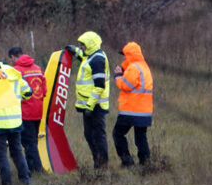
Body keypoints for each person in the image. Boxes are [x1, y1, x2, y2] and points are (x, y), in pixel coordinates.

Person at [66, 31, 110, 169]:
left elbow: (99, 86)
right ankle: (98, 161)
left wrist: (90, 106)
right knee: (89, 134)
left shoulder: (97, 60)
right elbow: (84, 57)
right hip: (89, 106)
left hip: (95, 106)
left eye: (83, 45)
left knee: (97, 135)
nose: (81, 47)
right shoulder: (91, 56)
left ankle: (102, 165)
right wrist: (75, 51)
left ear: (90, 44)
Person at [112, 42, 154, 166]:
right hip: (144, 111)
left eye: (125, 55)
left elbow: (126, 85)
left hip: (131, 110)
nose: (124, 58)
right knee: (141, 137)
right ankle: (145, 163)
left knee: (118, 134)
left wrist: (118, 76)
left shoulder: (133, 67)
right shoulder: (144, 67)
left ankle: (127, 161)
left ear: (130, 55)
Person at [8, 46, 46, 173]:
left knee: (28, 143)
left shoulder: (16, 71)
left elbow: (12, 94)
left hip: (25, 112)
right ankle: (33, 167)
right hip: (38, 111)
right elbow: (44, 91)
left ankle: (37, 170)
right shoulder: (38, 69)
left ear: (13, 57)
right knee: (33, 141)